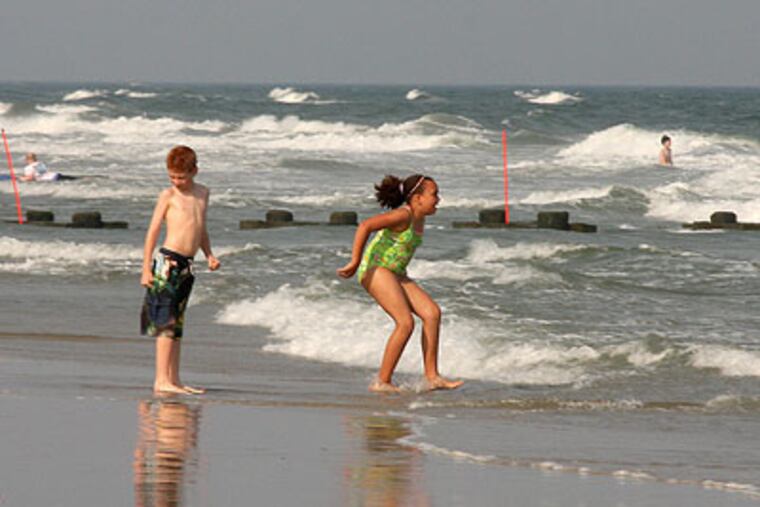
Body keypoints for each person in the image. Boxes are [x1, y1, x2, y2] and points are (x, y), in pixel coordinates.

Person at [337, 174, 463, 393]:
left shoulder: (419, 216)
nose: (438, 199)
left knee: (432, 313)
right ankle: (382, 381)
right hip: (376, 269)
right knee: (405, 323)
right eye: (434, 194)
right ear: (417, 198)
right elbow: (366, 226)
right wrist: (355, 261)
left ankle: (432, 376)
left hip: (395, 272)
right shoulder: (402, 215)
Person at [140, 145, 220, 394]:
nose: (177, 181)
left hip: (187, 264)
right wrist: (146, 268)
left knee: (177, 325)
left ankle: (174, 380)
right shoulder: (168, 196)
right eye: (172, 176)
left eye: (181, 177)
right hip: (167, 262)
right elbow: (153, 230)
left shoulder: (203, 193)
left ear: (194, 171)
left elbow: (200, 228)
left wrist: (209, 254)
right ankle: (161, 380)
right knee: (164, 323)